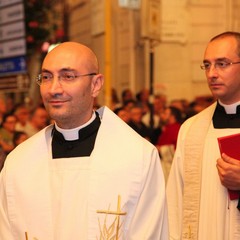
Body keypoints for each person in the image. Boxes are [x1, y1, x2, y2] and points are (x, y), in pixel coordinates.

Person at [0, 42, 168, 240]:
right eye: (46, 77)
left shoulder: (138, 157)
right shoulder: (19, 162)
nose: (53, 88)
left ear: (95, 85)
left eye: (68, 76)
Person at [167, 31, 240, 240]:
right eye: (207, 65)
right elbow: (175, 201)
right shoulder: (191, 129)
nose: (212, 73)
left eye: (222, 64)